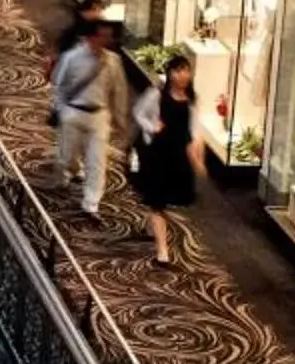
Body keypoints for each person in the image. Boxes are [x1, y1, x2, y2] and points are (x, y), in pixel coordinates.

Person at [131, 50, 204, 264]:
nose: (182, 75)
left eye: (186, 71)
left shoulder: (190, 99)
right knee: (156, 201)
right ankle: (162, 251)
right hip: (157, 153)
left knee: (164, 199)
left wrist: (197, 156)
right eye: (178, 70)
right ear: (170, 73)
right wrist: (152, 126)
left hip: (178, 156)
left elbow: (194, 128)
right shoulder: (157, 95)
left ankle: (151, 222)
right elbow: (138, 112)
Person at [51, 17, 128, 220]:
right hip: (73, 112)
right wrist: (59, 110)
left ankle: (91, 203)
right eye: (102, 36)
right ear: (91, 37)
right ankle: (69, 170)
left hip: (99, 116)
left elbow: (119, 90)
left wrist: (120, 118)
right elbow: (60, 84)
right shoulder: (73, 57)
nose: (106, 40)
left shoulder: (113, 61)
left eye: (108, 37)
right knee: (67, 156)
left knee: (97, 162)